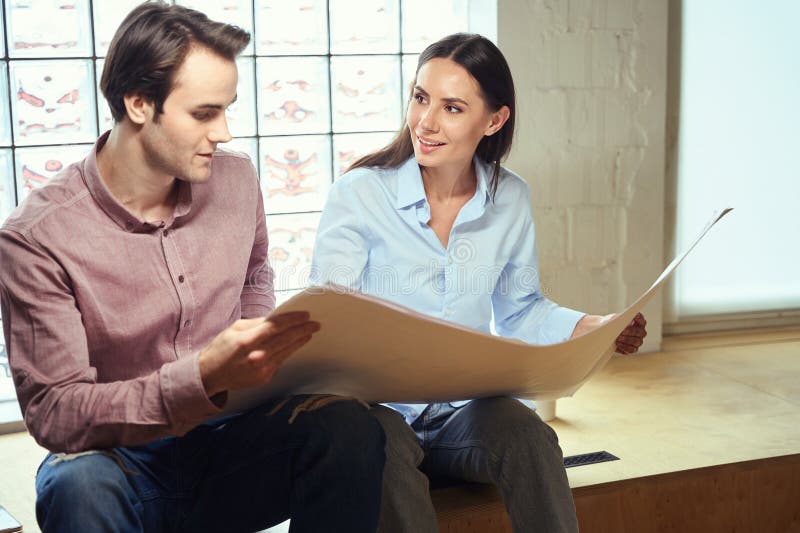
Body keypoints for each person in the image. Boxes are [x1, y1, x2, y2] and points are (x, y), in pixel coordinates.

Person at [0, 3, 385, 532]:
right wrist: (200, 378)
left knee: (348, 428)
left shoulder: (236, 180)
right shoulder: (36, 237)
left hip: (232, 442)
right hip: (120, 460)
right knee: (77, 486)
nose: (224, 132)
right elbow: (56, 413)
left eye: (226, 109)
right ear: (138, 103)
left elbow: (254, 273)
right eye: (205, 114)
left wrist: (259, 344)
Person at [311, 33, 647, 533]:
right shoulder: (359, 194)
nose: (425, 121)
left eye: (451, 107)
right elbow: (330, 322)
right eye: (420, 97)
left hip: (462, 412)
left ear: (493, 120)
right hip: (381, 413)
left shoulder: (509, 198)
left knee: (529, 436)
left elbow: (522, 309)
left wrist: (596, 326)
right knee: (379, 446)